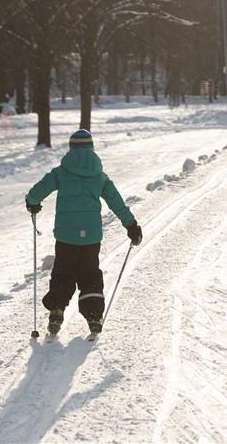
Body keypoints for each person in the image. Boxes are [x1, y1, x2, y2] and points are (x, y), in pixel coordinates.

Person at [25, 129, 142, 339]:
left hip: (65, 236)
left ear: (71, 148)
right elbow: (116, 202)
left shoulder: (60, 172)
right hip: (91, 237)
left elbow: (36, 192)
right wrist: (131, 225)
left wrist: (32, 203)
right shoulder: (100, 176)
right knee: (89, 274)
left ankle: (56, 311)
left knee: (63, 272)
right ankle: (94, 316)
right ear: (91, 148)